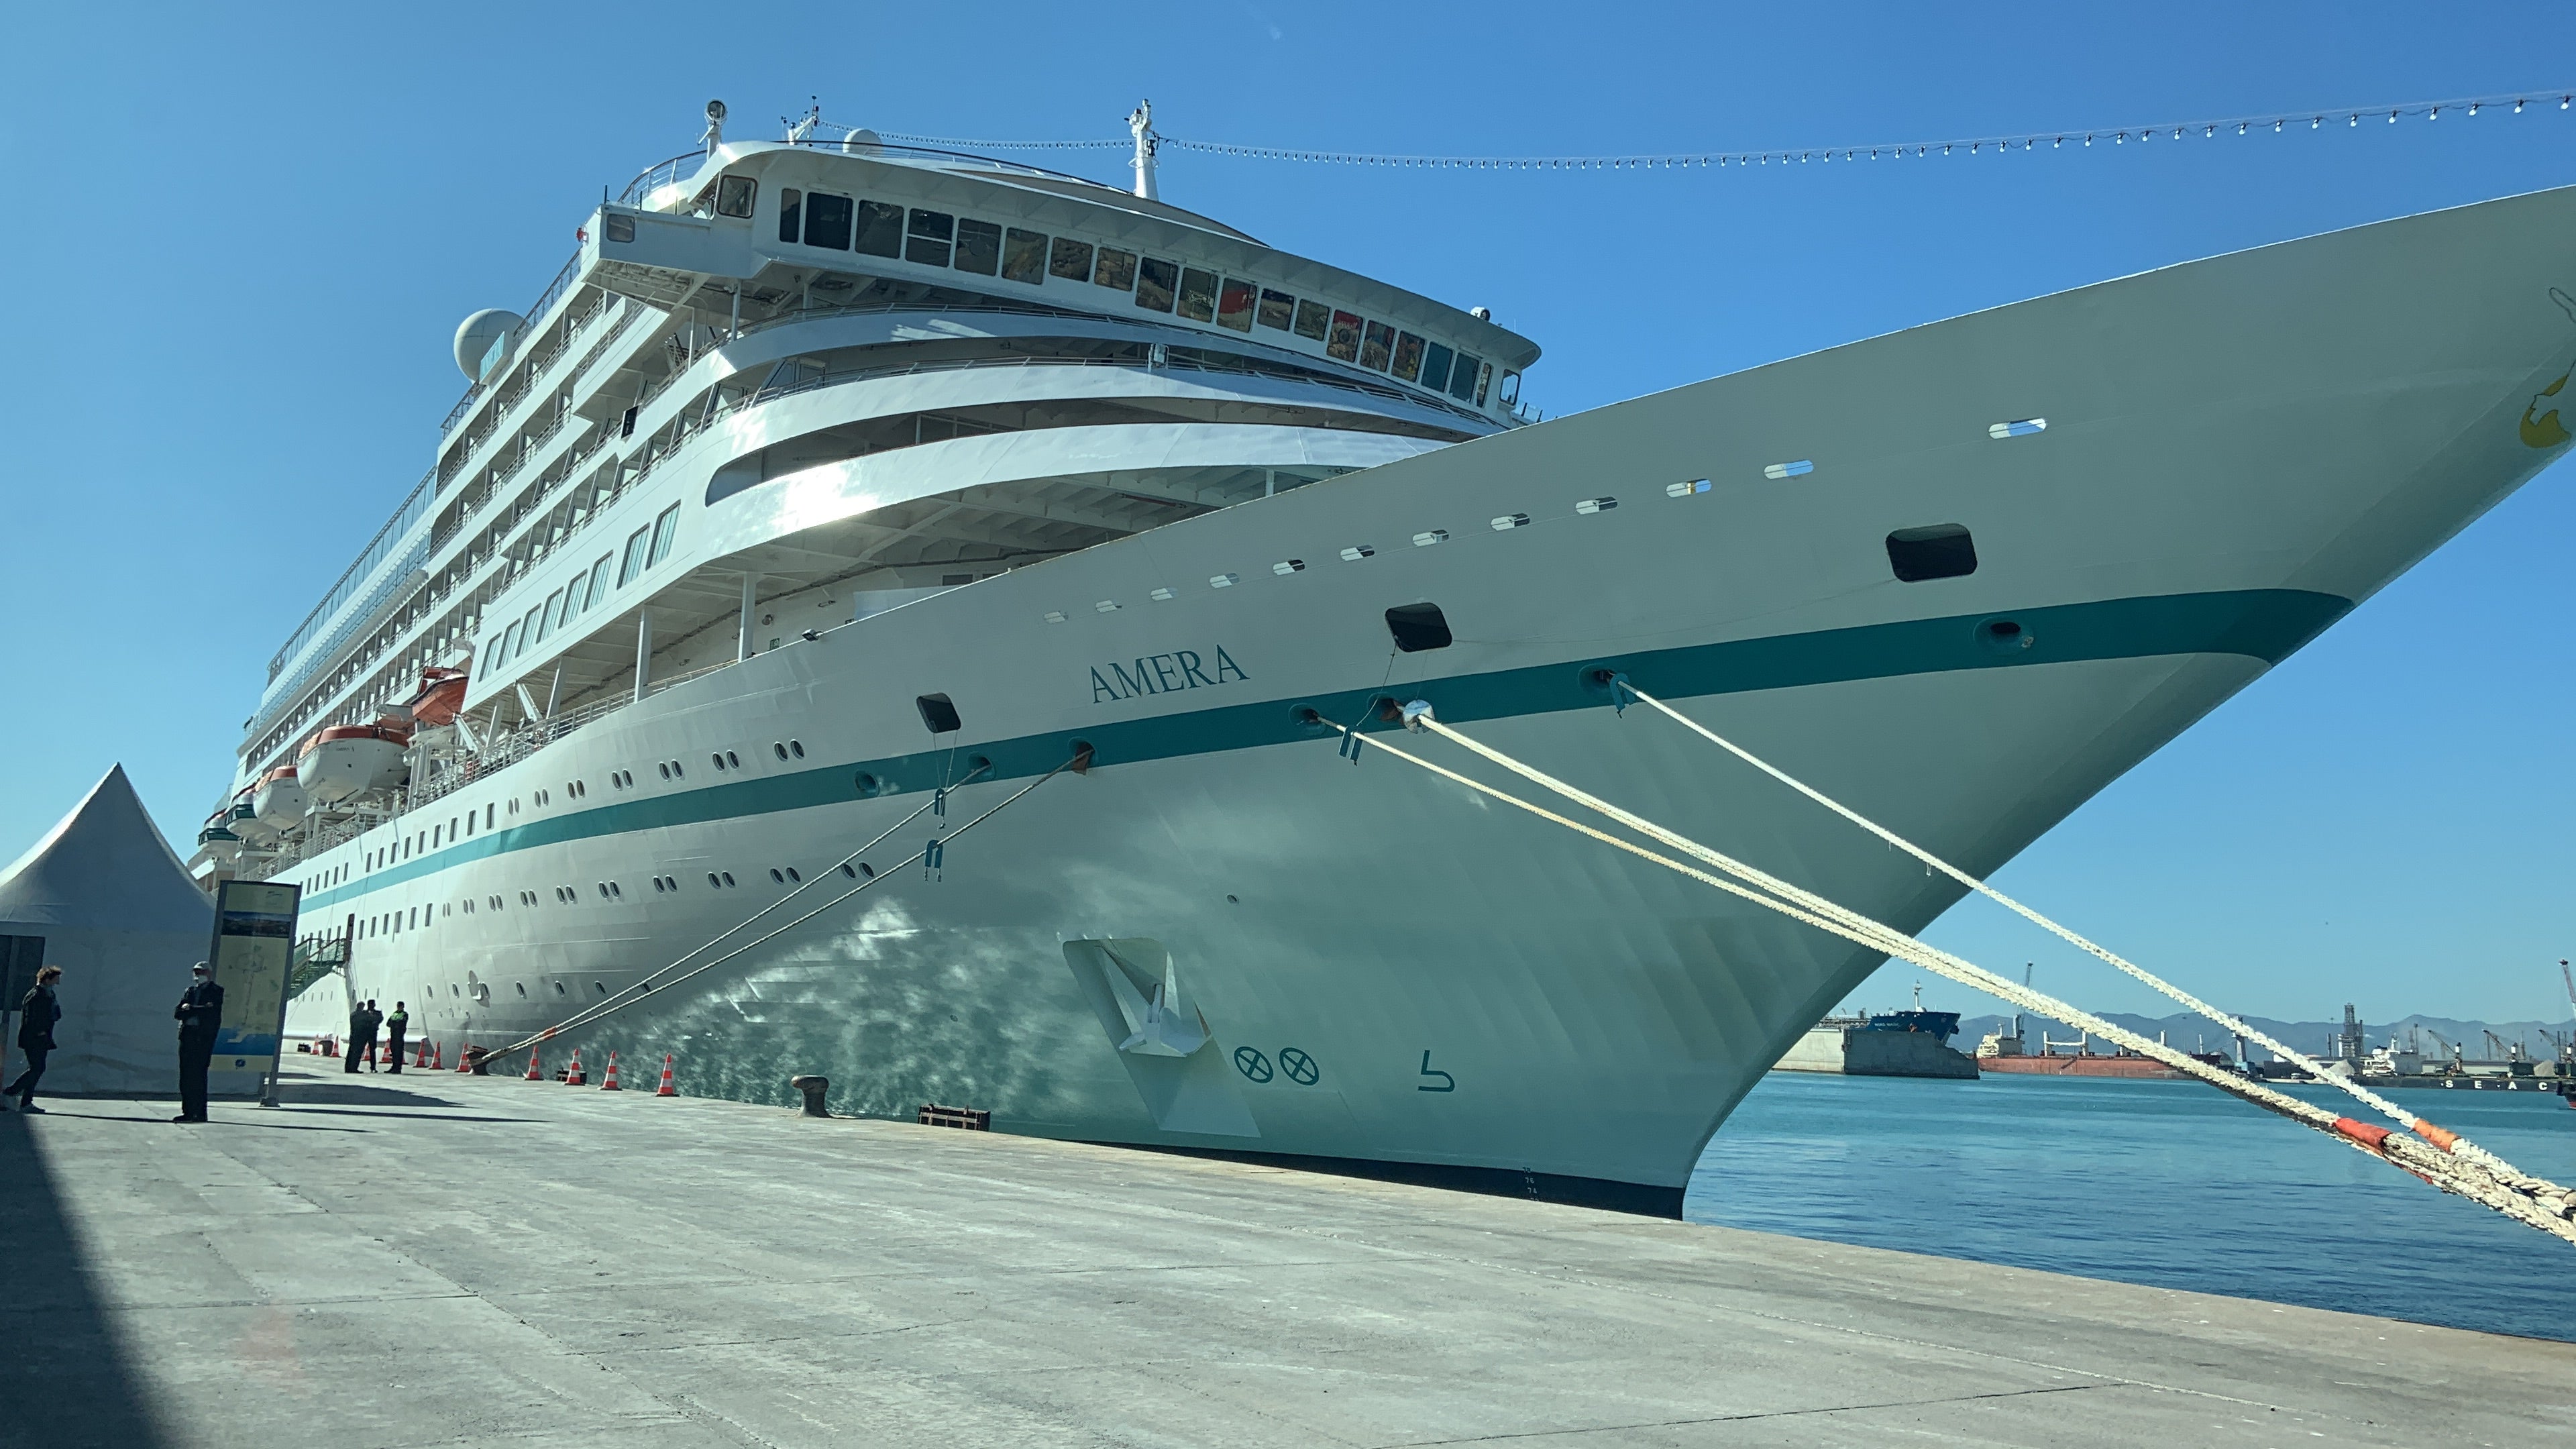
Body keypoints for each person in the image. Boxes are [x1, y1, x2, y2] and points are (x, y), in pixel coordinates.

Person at [6, 965, 64, 1113]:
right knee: (37, 1068)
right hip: (34, 1038)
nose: (58, 981)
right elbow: (30, 1017)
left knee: (36, 1069)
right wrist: (39, 1032)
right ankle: (10, 1093)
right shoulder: (36, 995)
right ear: (48, 978)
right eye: (56, 978)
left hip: (42, 1038)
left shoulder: (49, 994)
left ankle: (26, 1102)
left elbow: (55, 1014)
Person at [174, 961, 223, 1124]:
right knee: (185, 1076)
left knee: (198, 1076)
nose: (197, 975)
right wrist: (194, 1009)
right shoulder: (190, 991)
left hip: (202, 1039)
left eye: (200, 972)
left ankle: (199, 1112)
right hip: (187, 1036)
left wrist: (191, 1009)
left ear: (208, 973)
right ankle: (188, 1111)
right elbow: (178, 1012)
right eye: (195, 972)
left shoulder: (216, 991)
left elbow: (210, 1013)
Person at [351, 999, 381, 1073]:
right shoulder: (363, 1013)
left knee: (372, 1051)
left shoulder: (378, 1013)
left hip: (373, 1034)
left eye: (372, 1004)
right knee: (360, 1050)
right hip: (363, 1034)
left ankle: (373, 1067)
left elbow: (380, 1019)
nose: (372, 1006)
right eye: (370, 1004)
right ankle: (355, 1067)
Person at [384, 1002, 409, 1075]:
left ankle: (398, 1069)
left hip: (399, 1036)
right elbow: (388, 1023)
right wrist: (396, 1024)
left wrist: (394, 1024)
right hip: (393, 1035)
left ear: (403, 1006)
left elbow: (402, 1023)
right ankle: (394, 1067)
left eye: (400, 1006)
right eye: (398, 1006)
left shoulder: (404, 1014)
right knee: (394, 1052)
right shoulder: (394, 1014)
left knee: (399, 1053)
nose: (398, 1007)